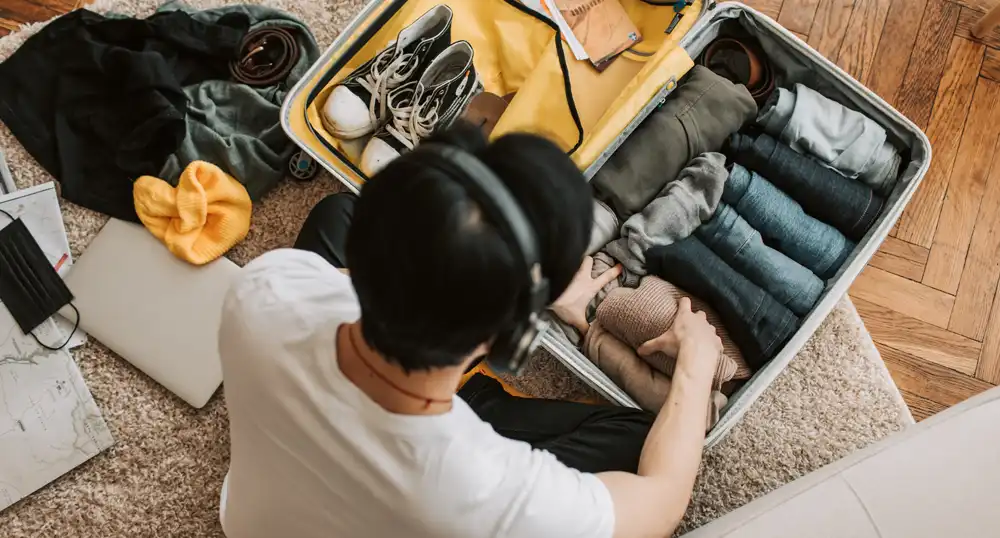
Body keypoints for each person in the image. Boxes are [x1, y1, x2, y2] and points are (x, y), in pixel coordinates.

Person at [217, 122, 724, 538]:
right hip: (437, 488)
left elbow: (358, 278)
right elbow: (662, 504)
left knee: (334, 213)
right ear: (515, 338)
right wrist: (695, 369)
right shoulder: (494, 495)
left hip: (254, 521)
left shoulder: (267, 286)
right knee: (649, 440)